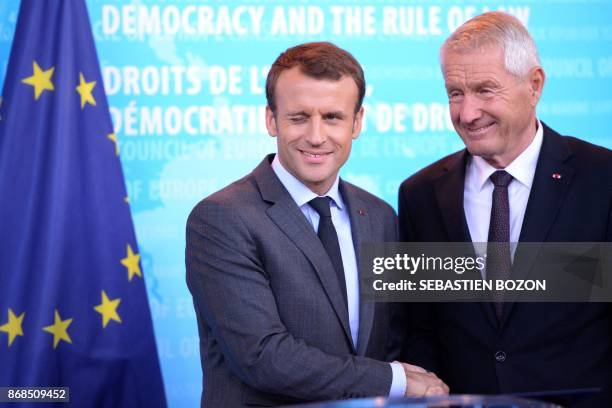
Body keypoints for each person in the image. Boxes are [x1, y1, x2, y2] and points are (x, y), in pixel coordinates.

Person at [186, 42, 448, 407]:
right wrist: (396, 379)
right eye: (298, 117)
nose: (316, 135)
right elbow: (263, 357)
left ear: (356, 122)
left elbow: (392, 339)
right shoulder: (222, 218)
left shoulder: (380, 217)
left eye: (332, 117)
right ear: (271, 119)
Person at [391, 11, 612, 405]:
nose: (467, 113)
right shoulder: (420, 194)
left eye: (485, 90)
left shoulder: (602, 179)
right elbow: (421, 329)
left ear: (535, 85)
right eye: (455, 93)